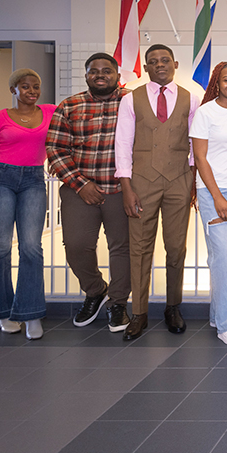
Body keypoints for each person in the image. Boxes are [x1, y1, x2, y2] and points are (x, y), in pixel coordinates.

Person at [116, 45, 200, 340]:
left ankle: (172, 307)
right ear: (146, 67)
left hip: (179, 180)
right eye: (153, 62)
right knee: (140, 248)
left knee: (176, 248)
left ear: (175, 64)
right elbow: (122, 145)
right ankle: (138, 313)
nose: (160, 65)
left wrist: (192, 181)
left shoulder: (192, 99)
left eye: (165, 60)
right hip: (141, 183)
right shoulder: (130, 100)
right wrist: (126, 188)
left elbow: (195, 145)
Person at [46, 53, 131, 333]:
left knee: (122, 249)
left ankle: (118, 303)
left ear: (117, 75)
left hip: (122, 189)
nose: (100, 75)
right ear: (86, 76)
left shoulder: (132, 102)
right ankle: (95, 290)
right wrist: (81, 184)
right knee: (76, 246)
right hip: (79, 190)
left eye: (107, 70)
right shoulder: (69, 106)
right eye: (94, 71)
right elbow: (55, 148)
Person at [0, 69, 55, 340]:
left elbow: (78, 107)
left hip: (33, 180)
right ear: (14, 90)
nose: (32, 91)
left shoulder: (50, 111)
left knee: (32, 247)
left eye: (36, 87)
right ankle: (3, 312)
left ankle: (30, 313)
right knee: (0, 247)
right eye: (25, 87)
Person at [191, 61, 227, 346]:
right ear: (217, 82)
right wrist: (217, 197)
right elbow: (200, 158)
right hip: (214, 192)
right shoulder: (205, 112)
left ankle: (217, 313)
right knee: (224, 257)